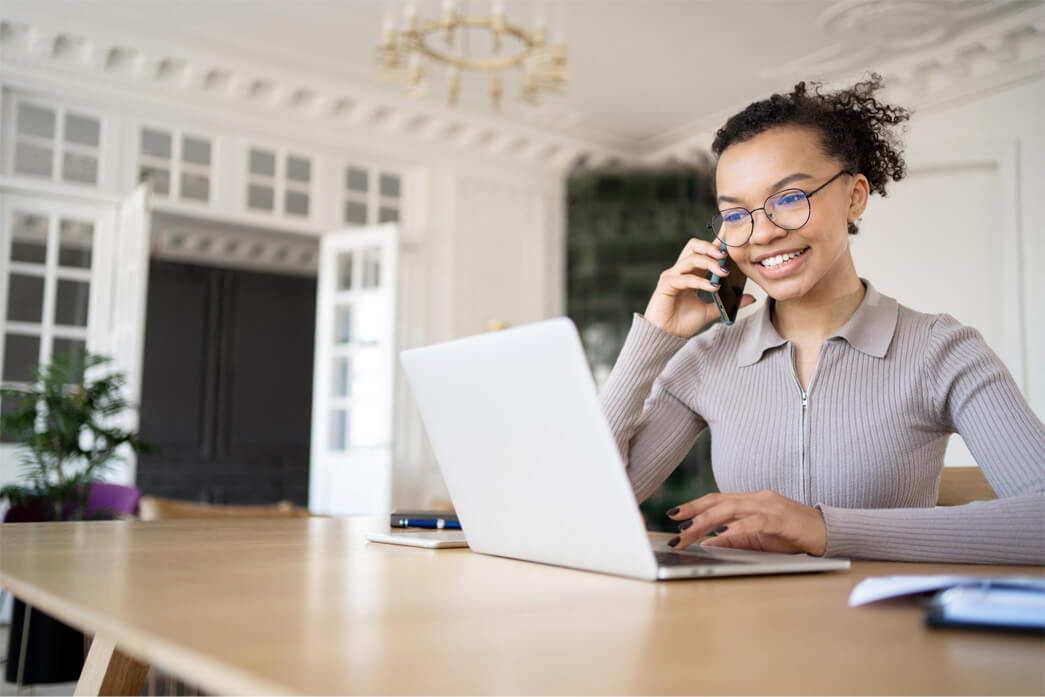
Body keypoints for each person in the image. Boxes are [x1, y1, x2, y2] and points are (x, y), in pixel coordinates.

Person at [599, 74, 1045, 564]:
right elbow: (592, 506)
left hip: (889, 634)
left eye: (789, 198)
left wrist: (823, 528)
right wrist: (655, 339)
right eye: (736, 214)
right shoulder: (707, 359)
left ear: (854, 196)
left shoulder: (943, 350)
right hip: (741, 629)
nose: (762, 234)